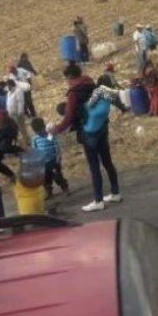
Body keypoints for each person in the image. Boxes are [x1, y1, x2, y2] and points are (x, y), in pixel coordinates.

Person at [51, 63, 121, 212]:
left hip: (88, 132)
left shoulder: (73, 93)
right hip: (102, 127)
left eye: (67, 79)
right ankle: (115, 193)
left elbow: (69, 117)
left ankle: (98, 200)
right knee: (107, 161)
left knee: (94, 166)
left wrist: (56, 129)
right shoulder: (90, 82)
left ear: (69, 77)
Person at [30, 117, 69, 203]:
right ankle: (48, 191)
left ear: (44, 128)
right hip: (43, 163)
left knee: (57, 176)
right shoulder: (35, 138)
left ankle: (64, 187)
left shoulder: (49, 136)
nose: (39, 133)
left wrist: (58, 157)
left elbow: (56, 146)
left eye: (40, 131)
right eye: (37, 132)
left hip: (53, 160)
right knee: (45, 178)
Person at [5, 78, 31, 147]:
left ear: (11, 85)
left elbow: (20, 102)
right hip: (11, 114)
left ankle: (27, 141)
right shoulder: (9, 93)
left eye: (8, 85)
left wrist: (20, 112)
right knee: (15, 129)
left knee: (22, 128)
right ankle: (20, 142)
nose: (8, 87)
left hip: (17, 114)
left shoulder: (18, 91)